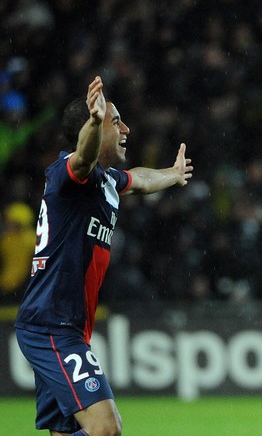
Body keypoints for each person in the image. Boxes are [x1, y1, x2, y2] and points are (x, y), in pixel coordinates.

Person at [14, 76, 193, 436]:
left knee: (66, 432)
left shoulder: (106, 180)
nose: (126, 128)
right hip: (53, 326)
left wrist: (172, 175)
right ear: (91, 127)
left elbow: (139, 179)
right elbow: (82, 158)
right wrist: (95, 123)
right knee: (107, 428)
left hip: (64, 327)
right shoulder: (69, 176)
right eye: (116, 121)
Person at [0, 201, 36, 302]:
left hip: (22, 287)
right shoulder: (6, 239)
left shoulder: (30, 240)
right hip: (9, 286)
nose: (8, 225)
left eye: (12, 222)